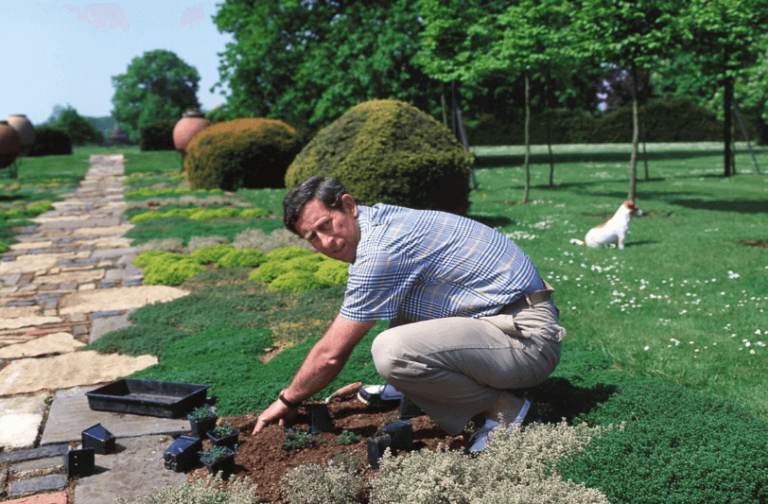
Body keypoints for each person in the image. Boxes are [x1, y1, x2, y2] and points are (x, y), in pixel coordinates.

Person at [252, 176, 565, 452]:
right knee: (404, 303)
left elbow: (331, 354)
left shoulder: (380, 250)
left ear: (349, 205)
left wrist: (288, 400)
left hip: (528, 342)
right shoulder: (381, 221)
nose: (326, 242)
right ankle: (411, 388)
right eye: (312, 238)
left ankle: (506, 411)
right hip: (506, 321)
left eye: (326, 225)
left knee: (392, 351)